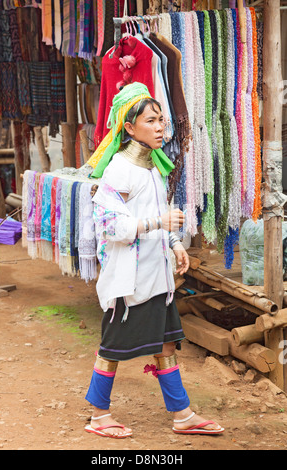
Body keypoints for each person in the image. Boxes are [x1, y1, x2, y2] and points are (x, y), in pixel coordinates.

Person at [84, 82, 224, 439]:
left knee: (165, 345)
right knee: (113, 347)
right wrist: (157, 225)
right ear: (129, 128)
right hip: (129, 281)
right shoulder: (119, 170)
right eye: (151, 121)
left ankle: (183, 414)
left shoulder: (152, 168)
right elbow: (108, 224)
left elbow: (160, 215)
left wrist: (175, 243)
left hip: (156, 277)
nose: (162, 127)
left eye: (162, 120)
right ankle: (99, 415)